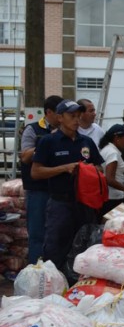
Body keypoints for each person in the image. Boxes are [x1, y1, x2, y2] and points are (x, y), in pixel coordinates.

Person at [31, 99, 104, 273]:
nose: (76, 120)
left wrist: (87, 170)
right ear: (60, 117)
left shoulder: (86, 142)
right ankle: (53, 286)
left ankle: (79, 288)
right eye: (72, 116)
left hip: (85, 205)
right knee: (56, 247)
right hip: (60, 204)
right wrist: (64, 168)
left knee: (86, 247)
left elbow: (100, 168)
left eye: (79, 116)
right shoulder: (48, 141)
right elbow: (36, 172)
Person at [19, 95, 63, 264]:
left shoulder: (66, 132)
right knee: (37, 234)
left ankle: (56, 273)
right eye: (59, 113)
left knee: (58, 234)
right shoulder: (32, 129)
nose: (61, 117)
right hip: (38, 191)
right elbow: (25, 156)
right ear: (48, 112)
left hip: (59, 191)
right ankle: (36, 273)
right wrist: (46, 141)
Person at [99, 124, 124, 215]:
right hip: (114, 198)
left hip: (107, 196)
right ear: (117, 138)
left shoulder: (106, 149)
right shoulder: (113, 153)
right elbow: (110, 179)